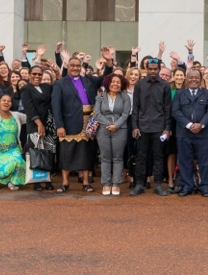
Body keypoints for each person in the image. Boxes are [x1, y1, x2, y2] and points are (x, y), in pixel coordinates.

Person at [51, 51, 106, 193]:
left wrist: (109, 61)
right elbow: (56, 107)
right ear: (68, 67)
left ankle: (86, 182)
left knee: (86, 153)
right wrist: (60, 125)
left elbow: (105, 77)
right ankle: (65, 182)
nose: (75, 68)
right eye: (72, 65)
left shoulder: (88, 80)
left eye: (77, 65)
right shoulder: (60, 84)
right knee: (67, 153)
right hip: (69, 122)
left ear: (80, 66)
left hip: (88, 121)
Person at [129, 57, 172, 196]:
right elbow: (135, 108)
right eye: (150, 69)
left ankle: (158, 185)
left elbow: (168, 109)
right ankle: (139, 184)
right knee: (141, 157)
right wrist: (134, 126)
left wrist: (167, 128)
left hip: (159, 127)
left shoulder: (165, 85)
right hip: (142, 127)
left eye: (155, 69)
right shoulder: (140, 85)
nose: (153, 71)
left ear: (159, 69)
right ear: (146, 69)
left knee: (158, 157)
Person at [172, 68, 208, 197]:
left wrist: (201, 125)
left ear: (200, 79)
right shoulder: (180, 94)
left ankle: (205, 187)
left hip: (203, 134)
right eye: (191, 77)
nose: (193, 80)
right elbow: (175, 111)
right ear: (186, 79)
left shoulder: (207, 94)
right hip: (184, 133)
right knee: (185, 161)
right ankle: (187, 186)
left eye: (196, 77)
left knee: (204, 161)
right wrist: (189, 125)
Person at [94, 72, 132, 195]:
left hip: (120, 129)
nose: (115, 84)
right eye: (113, 82)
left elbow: (125, 114)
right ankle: (106, 184)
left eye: (118, 82)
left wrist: (116, 125)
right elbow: (97, 114)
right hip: (103, 130)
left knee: (117, 157)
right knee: (105, 157)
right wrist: (108, 124)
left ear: (122, 84)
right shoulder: (101, 96)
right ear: (108, 83)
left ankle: (116, 184)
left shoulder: (125, 97)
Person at [19, 65, 54, 191]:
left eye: (39, 74)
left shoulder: (46, 87)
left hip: (49, 124)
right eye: (34, 74)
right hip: (35, 125)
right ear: (29, 75)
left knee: (49, 152)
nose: (37, 76)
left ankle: (48, 179)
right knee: (36, 152)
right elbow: (29, 108)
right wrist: (39, 124)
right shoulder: (25, 89)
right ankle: (37, 181)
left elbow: (59, 85)